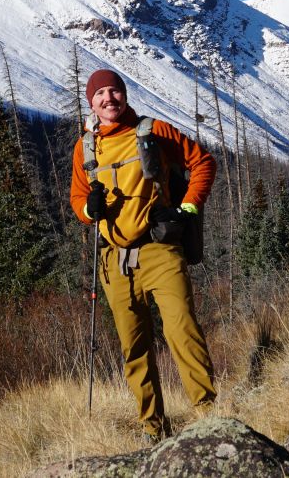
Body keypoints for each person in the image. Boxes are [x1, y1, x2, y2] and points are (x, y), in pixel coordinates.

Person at [69, 67, 217, 441]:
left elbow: (203, 163)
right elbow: (76, 201)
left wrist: (188, 208)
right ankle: (154, 431)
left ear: (125, 94)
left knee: (182, 329)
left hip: (159, 249)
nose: (108, 99)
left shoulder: (154, 132)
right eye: (100, 94)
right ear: (91, 102)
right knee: (133, 347)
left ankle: (210, 417)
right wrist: (91, 208)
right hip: (113, 260)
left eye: (114, 91)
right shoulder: (85, 147)